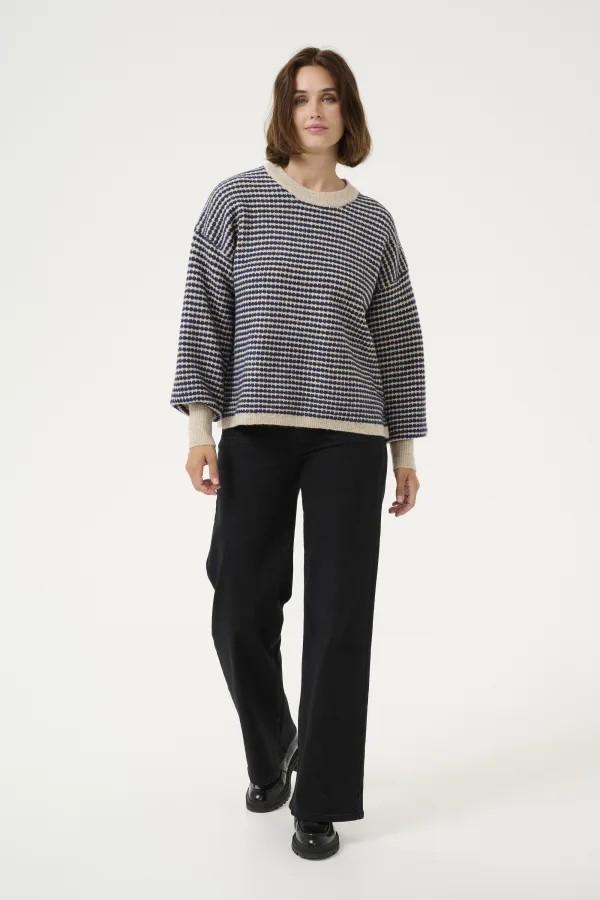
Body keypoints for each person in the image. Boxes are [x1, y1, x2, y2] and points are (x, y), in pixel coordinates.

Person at [169, 46, 428, 861]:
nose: (315, 111)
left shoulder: (373, 224)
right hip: (256, 428)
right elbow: (205, 312)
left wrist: (405, 449)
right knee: (240, 601)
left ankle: (318, 797)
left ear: (348, 113)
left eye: (330, 97)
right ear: (284, 112)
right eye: (301, 97)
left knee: (340, 616)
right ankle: (276, 741)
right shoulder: (237, 200)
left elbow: (398, 340)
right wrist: (200, 428)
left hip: (351, 437)